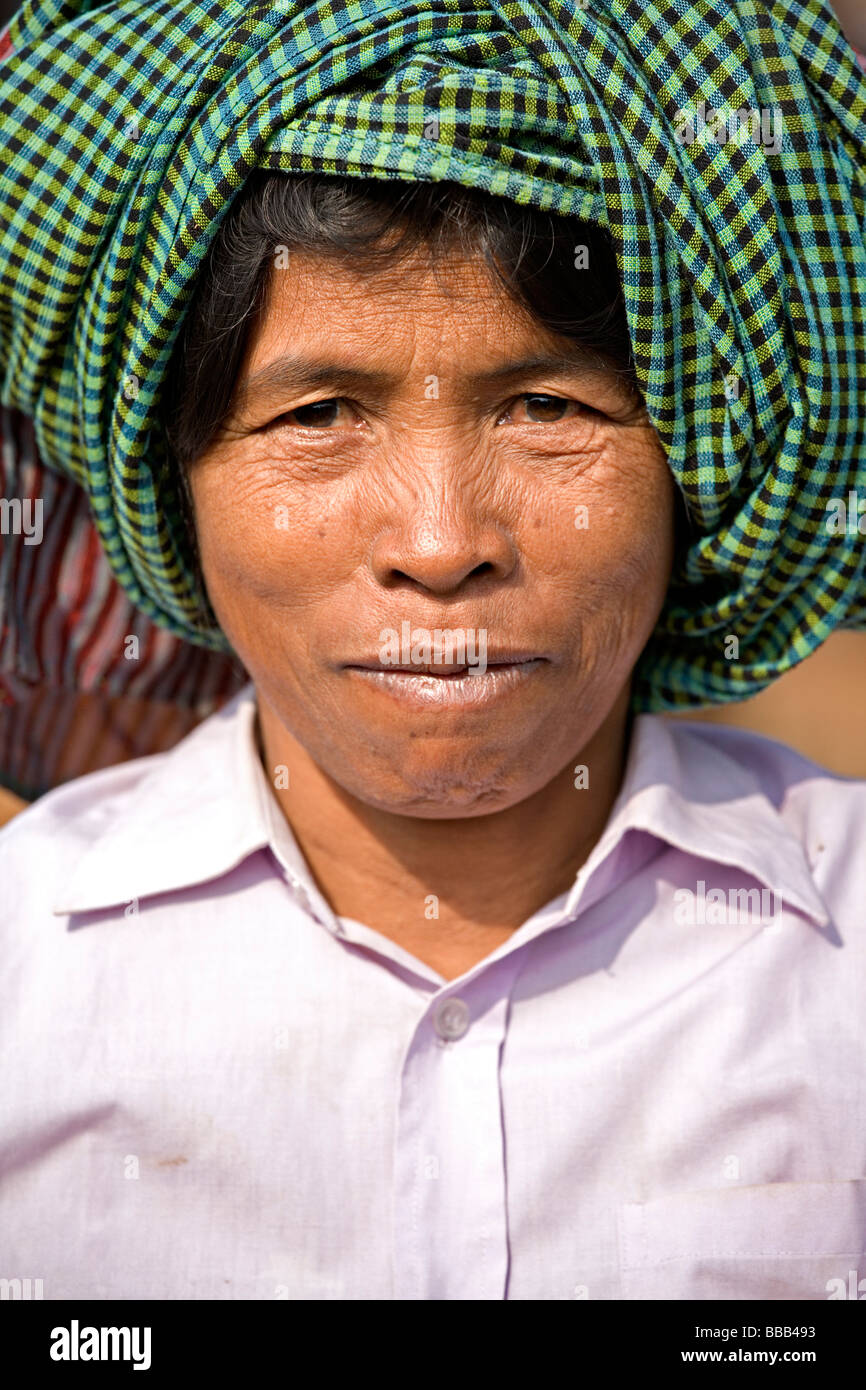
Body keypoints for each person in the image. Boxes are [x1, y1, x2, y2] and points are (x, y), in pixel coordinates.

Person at [0, 0, 865, 1301]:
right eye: (320, 413)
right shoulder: (27, 966)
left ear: (690, 466)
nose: (440, 539)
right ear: (169, 481)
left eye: (545, 407)